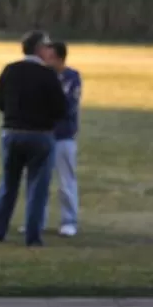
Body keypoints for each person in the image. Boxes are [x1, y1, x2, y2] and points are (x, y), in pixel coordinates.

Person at [0, 30, 68, 246]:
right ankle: (32, 236)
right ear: (40, 49)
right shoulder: (47, 74)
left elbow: (0, 101)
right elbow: (61, 108)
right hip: (40, 135)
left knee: (8, 184)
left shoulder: (10, 70)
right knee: (37, 187)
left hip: (12, 132)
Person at [45, 40, 82, 237]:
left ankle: (69, 220)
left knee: (66, 180)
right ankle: (37, 219)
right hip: (43, 135)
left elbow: (67, 106)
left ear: (59, 58)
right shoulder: (42, 76)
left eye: (49, 57)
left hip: (63, 136)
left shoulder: (71, 77)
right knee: (39, 180)